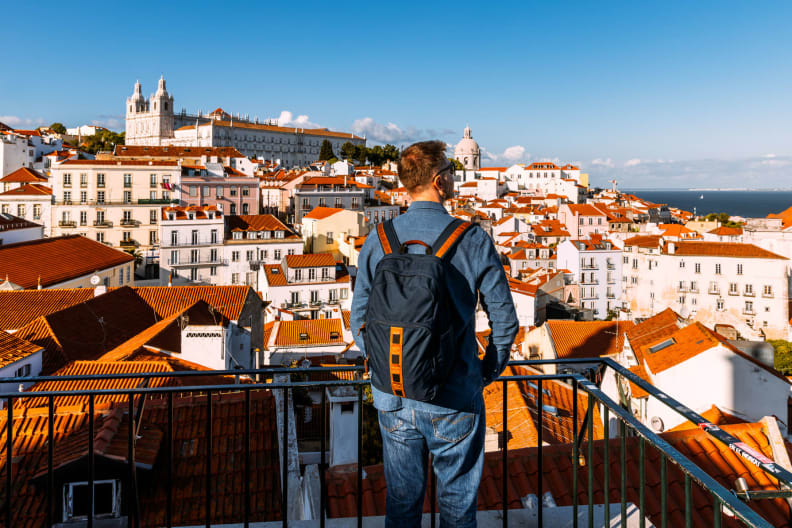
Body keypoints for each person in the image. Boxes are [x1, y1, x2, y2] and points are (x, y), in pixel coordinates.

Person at [350, 140, 519, 527]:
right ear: (440, 182)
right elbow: (505, 323)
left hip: (393, 393)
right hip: (454, 392)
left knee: (403, 501)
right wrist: (483, 371)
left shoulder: (380, 238)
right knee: (457, 506)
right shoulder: (472, 239)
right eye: (451, 172)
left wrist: (390, 361)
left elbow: (358, 319)